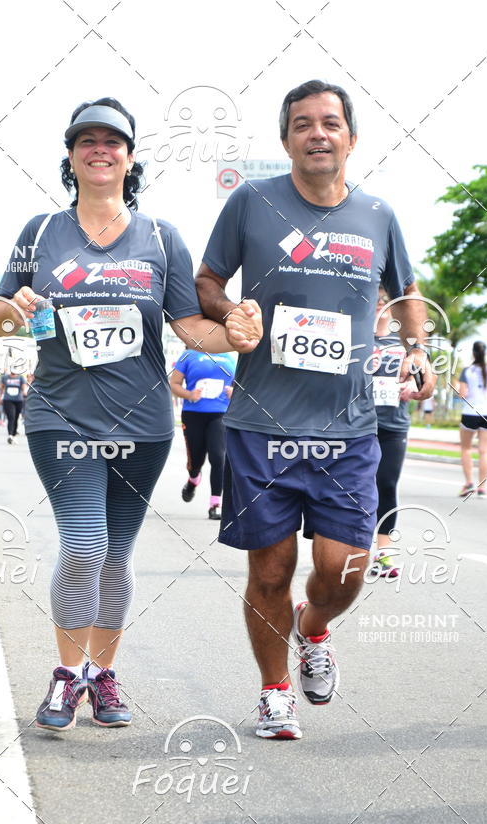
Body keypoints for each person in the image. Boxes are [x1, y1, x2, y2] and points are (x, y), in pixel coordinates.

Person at [0, 97, 260, 733]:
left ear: (130, 157)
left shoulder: (161, 237)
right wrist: (16, 309)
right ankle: (66, 674)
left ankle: (100, 673)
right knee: (84, 544)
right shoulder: (40, 232)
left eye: (112, 141)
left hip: (143, 425)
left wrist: (235, 336)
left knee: (116, 555)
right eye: (87, 140)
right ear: (71, 156)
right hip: (61, 417)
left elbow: (189, 326)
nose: (100, 150)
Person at [195, 79, 435, 740]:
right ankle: (275, 692)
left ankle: (315, 626)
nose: (317, 134)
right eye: (303, 124)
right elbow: (206, 280)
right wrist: (229, 311)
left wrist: (417, 349)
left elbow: (407, 290)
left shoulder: (378, 215)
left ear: (351, 139)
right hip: (261, 424)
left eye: (330, 123)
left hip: (348, 429)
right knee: (270, 571)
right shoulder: (251, 202)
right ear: (286, 140)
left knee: (344, 570)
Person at [369, 291, 418, 579]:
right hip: (359, 426)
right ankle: (348, 550)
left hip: (393, 425)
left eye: (385, 297)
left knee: (386, 484)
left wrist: (412, 385)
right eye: (376, 297)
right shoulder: (359, 339)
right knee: (353, 488)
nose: (380, 302)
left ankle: (383, 554)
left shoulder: (406, 343)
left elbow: (422, 379)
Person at [169, 349, 235, 519]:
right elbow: (174, 384)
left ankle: (215, 504)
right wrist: (189, 394)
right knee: (195, 460)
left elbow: (242, 385)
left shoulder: (230, 356)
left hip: (220, 414)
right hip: (193, 414)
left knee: (218, 457)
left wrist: (235, 392)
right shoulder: (189, 355)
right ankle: (193, 478)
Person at [458, 340, 487, 498]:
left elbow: (462, 394)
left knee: (466, 449)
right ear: (485, 353)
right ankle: (482, 488)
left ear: (473, 353)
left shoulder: (467, 371)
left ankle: (469, 483)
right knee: (484, 451)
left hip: (470, 413)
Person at [0, 369, 27, 444]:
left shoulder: (21, 377)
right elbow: (2, 387)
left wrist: (24, 391)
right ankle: (10, 435)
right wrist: (0, 396)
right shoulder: (5, 377)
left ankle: (14, 435)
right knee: (11, 417)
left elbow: (23, 386)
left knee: (16, 418)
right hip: (8, 399)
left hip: (18, 400)